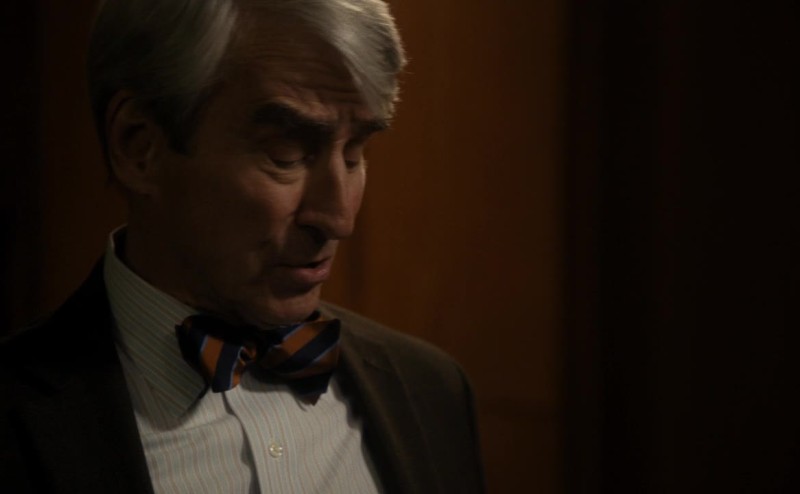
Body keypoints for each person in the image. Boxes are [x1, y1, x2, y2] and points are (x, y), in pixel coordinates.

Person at [0, 0, 485, 492]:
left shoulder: (430, 391)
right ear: (137, 146)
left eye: (356, 153)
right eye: (286, 153)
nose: (339, 219)